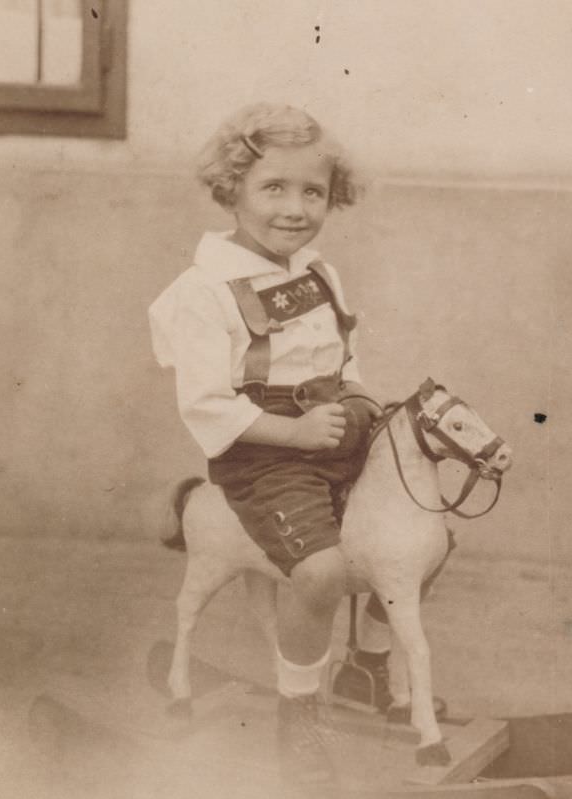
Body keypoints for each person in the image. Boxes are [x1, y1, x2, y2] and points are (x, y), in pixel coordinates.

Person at [148, 103, 397, 786]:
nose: (295, 208)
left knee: (422, 529)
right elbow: (207, 403)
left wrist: (359, 403)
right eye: (273, 188)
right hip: (261, 452)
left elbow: (345, 356)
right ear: (233, 190)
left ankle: (367, 668)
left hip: (331, 425)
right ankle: (299, 721)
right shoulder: (206, 290)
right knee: (320, 573)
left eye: (312, 191)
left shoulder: (319, 273)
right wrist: (293, 431)